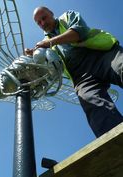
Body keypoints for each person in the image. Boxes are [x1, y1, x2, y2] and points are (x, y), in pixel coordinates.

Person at [25, 6, 123, 138]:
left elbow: (79, 31)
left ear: (52, 14)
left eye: (44, 18)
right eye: (39, 22)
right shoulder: (44, 44)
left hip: (102, 55)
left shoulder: (67, 17)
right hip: (81, 76)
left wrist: (50, 42)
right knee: (93, 105)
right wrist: (34, 56)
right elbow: (51, 67)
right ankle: (116, 145)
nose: (42, 23)